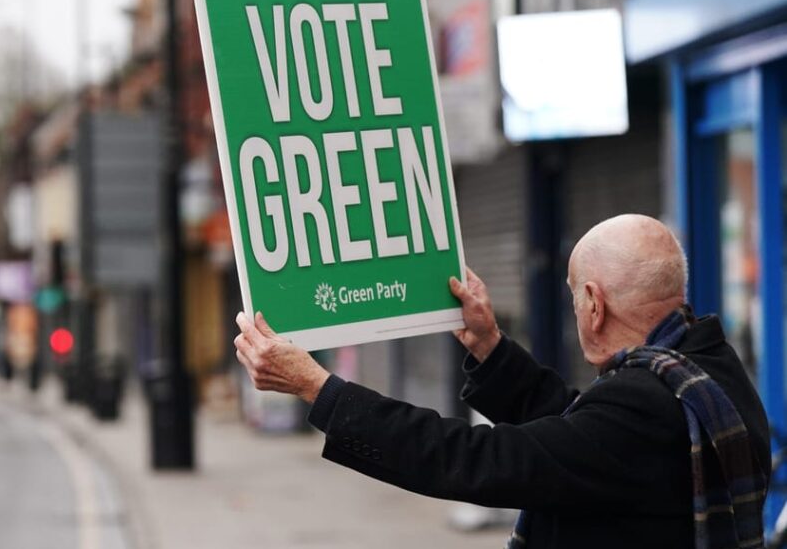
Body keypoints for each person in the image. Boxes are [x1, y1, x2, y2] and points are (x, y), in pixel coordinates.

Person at [234, 214, 770, 549]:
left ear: (593, 302)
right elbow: (579, 436)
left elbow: (477, 459)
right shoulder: (707, 370)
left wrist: (320, 390)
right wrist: (490, 347)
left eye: (572, 294)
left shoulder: (646, 404)